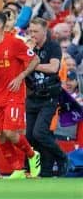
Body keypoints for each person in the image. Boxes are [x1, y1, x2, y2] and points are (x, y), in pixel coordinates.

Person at [0, 11, 41, 179]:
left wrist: (21, 77)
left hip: (14, 94)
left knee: (10, 132)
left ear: (0, 25)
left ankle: (32, 155)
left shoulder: (14, 43)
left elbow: (35, 60)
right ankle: (18, 168)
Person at [25, 17, 68, 177]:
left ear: (45, 31)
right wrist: (28, 53)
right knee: (30, 136)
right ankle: (45, 169)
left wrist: (32, 65)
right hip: (32, 96)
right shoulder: (29, 48)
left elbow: (53, 67)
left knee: (40, 133)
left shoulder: (53, 46)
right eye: (30, 31)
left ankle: (61, 157)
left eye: (36, 31)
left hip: (49, 96)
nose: (33, 34)